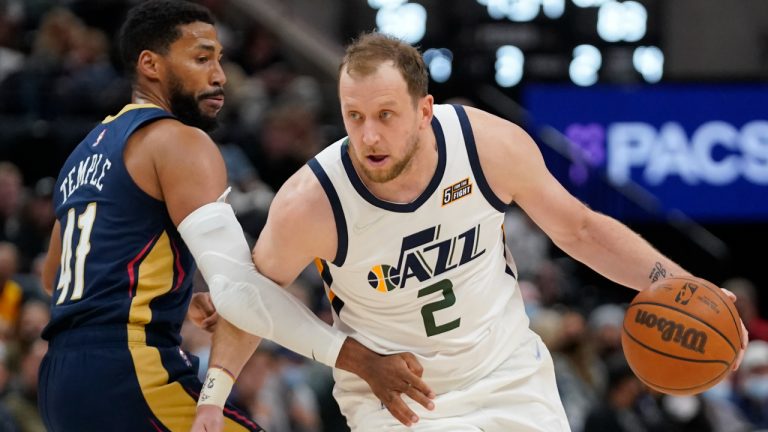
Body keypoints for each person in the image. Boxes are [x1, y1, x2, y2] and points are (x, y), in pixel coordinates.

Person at [193, 31, 749, 431]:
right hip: (399, 396)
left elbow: (580, 229)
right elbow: (251, 303)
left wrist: (688, 286)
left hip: (508, 371)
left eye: (386, 114)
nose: (368, 136)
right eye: (353, 116)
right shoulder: (310, 202)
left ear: (425, 109)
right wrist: (212, 400)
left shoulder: (484, 145)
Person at [39, 2, 431, 431]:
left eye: (220, 59)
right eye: (202, 58)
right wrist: (363, 361)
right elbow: (241, 293)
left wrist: (164, 294)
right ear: (150, 64)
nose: (219, 75)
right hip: (130, 373)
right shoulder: (178, 142)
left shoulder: (81, 156)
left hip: (60, 384)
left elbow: (52, 278)